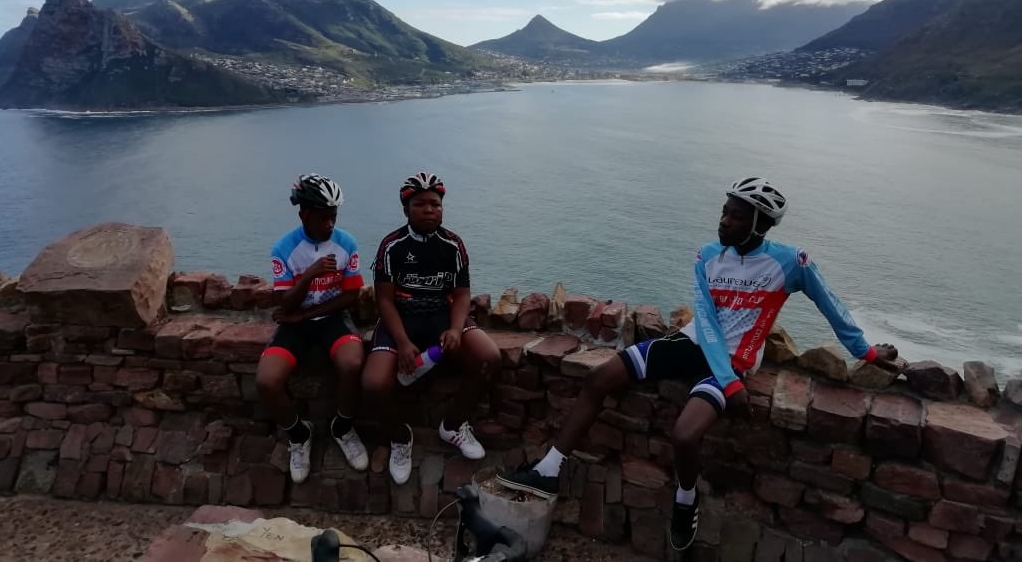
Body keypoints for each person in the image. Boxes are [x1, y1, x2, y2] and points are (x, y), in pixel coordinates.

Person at [497, 176, 900, 552]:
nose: (724, 221)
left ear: (759, 224)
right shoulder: (707, 256)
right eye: (725, 211)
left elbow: (829, 302)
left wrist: (864, 352)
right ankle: (548, 471)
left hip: (737, 357)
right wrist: (729, 383)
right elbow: (704, 320)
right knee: (600, 377)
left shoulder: (791, 262)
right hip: (694, 342)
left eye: (736, 216)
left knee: (685, 436)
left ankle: (686, 500)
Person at [362, 172, 502, 485]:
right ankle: (400, 437)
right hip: (401, 320)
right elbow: (383, 301)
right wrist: (402, 342)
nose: (429, 210)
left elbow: (462, 294)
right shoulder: (391, 246)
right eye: (420, 204)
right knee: (373, 383)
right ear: (406, 209)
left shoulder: (453, 244)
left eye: (435, 204)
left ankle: (453, 425)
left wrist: (455, 329)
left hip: (442, 316)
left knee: (489, 358)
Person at [256, 174, 370, 485]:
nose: (330, 223)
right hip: (296, 324)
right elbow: (284, 303)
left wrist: (307, 315)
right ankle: (298, 433)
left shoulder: (346, 243)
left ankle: (343, 427)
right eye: (323, 217)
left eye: (334, 216)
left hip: (332, 317)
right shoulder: (284, 248)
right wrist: (309, 275)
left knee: (353, 364)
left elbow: (350, 295)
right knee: (267, 380)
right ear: (304, 215)